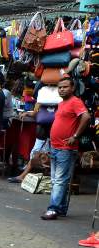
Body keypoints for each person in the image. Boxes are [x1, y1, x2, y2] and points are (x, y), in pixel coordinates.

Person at [43, 76, 89, 220]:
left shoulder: (75, 101)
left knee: (59, 180)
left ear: (73, 88)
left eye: (65, 87)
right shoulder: (62, 103)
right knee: (57, 179)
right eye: (60, 87)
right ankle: (60, 208)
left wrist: (75, 136)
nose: (61, 89)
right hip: (56, 146)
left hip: (65, 148)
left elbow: (86, 117)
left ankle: (53, 209)